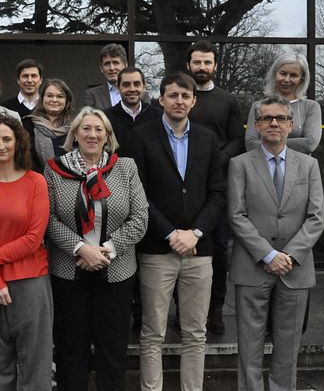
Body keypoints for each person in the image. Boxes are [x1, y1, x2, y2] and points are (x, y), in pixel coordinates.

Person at [132, 72, 225, 391]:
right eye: (173, 95)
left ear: (194, 101)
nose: (179, 101)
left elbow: (218, 193)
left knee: (195, 333)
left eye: (185, 96)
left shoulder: (207, 138)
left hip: (200, 251)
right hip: (158, 250)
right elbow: (139, 194)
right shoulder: (142, 136)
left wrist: (195, 232)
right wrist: (171, 234)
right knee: (153, 332)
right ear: (160, 100)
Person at [45, 107, 148, 391]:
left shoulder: (125, 167)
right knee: (70, 349)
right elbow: (48, 218)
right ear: (75, 134)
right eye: (86, 128)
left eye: (99, 129)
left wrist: (107, 250)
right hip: (69, 273)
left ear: (108, 136)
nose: (92, 134)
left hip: (116, 273)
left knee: (112, 350)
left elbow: (140, 217)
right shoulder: (54, 169)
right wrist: (80, 248)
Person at [229, 96, 324, 391]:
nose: (274, 123)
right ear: (257, 125)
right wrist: (268, 254)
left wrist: (290, 255)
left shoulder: (309, 165)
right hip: (252, 266)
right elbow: (236, 215)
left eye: (280, 118)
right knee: (249, 344)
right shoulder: (240, 164)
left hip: (295, 270)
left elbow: (317, 217)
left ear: (291, 125)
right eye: (267, 118)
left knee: (288, 346)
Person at [0, 114, 52, 390]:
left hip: (31, 281)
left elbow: (34, 238)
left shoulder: (36, 182)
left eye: (7, 139)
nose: (0, 145)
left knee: (35, 365)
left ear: (18, 143)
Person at [186, 40, 245, 335]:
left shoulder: (228, 100)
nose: (202, 67)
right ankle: (184, 310)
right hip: (184, 183)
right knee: (184, 246)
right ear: (189, 65)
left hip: (218, 181)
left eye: (207, 62)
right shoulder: (181, 98)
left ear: (215, 66)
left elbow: (238, 139)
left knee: (219, 246)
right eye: (197, 62)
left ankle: (215, 309)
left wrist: (216, 160)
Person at [245, 52, 321, 154]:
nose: (286, 79)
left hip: (300, 168)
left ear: (301, 79)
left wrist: (270, 142)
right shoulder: (258, 106)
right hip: (262, 167)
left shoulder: (311, 107)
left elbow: (310, 143)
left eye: (293, 75)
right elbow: (250, 144)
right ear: (275, 74)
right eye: (283, 73)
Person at [104, 67, 161, 159]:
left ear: (144, 87)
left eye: (137, 84)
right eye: (126, 85)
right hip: (119, 172)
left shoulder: (158, 116)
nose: (132, 89)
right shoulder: (106, 118)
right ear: (118, 88)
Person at [22, 78, 75, 173]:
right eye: (49, 96)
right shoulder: (28, 125)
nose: (54, 100)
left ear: (67, 101)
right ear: (42, 99)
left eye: (60, 96)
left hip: (71, 182)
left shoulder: (76, 127)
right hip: (37, 181)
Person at [83, 43, 128, 110]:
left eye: (115, 63)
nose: (112, 68)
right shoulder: (92, 95)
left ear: (125, 66)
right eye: (107, 64)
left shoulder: (141, 94)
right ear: (101, 68)